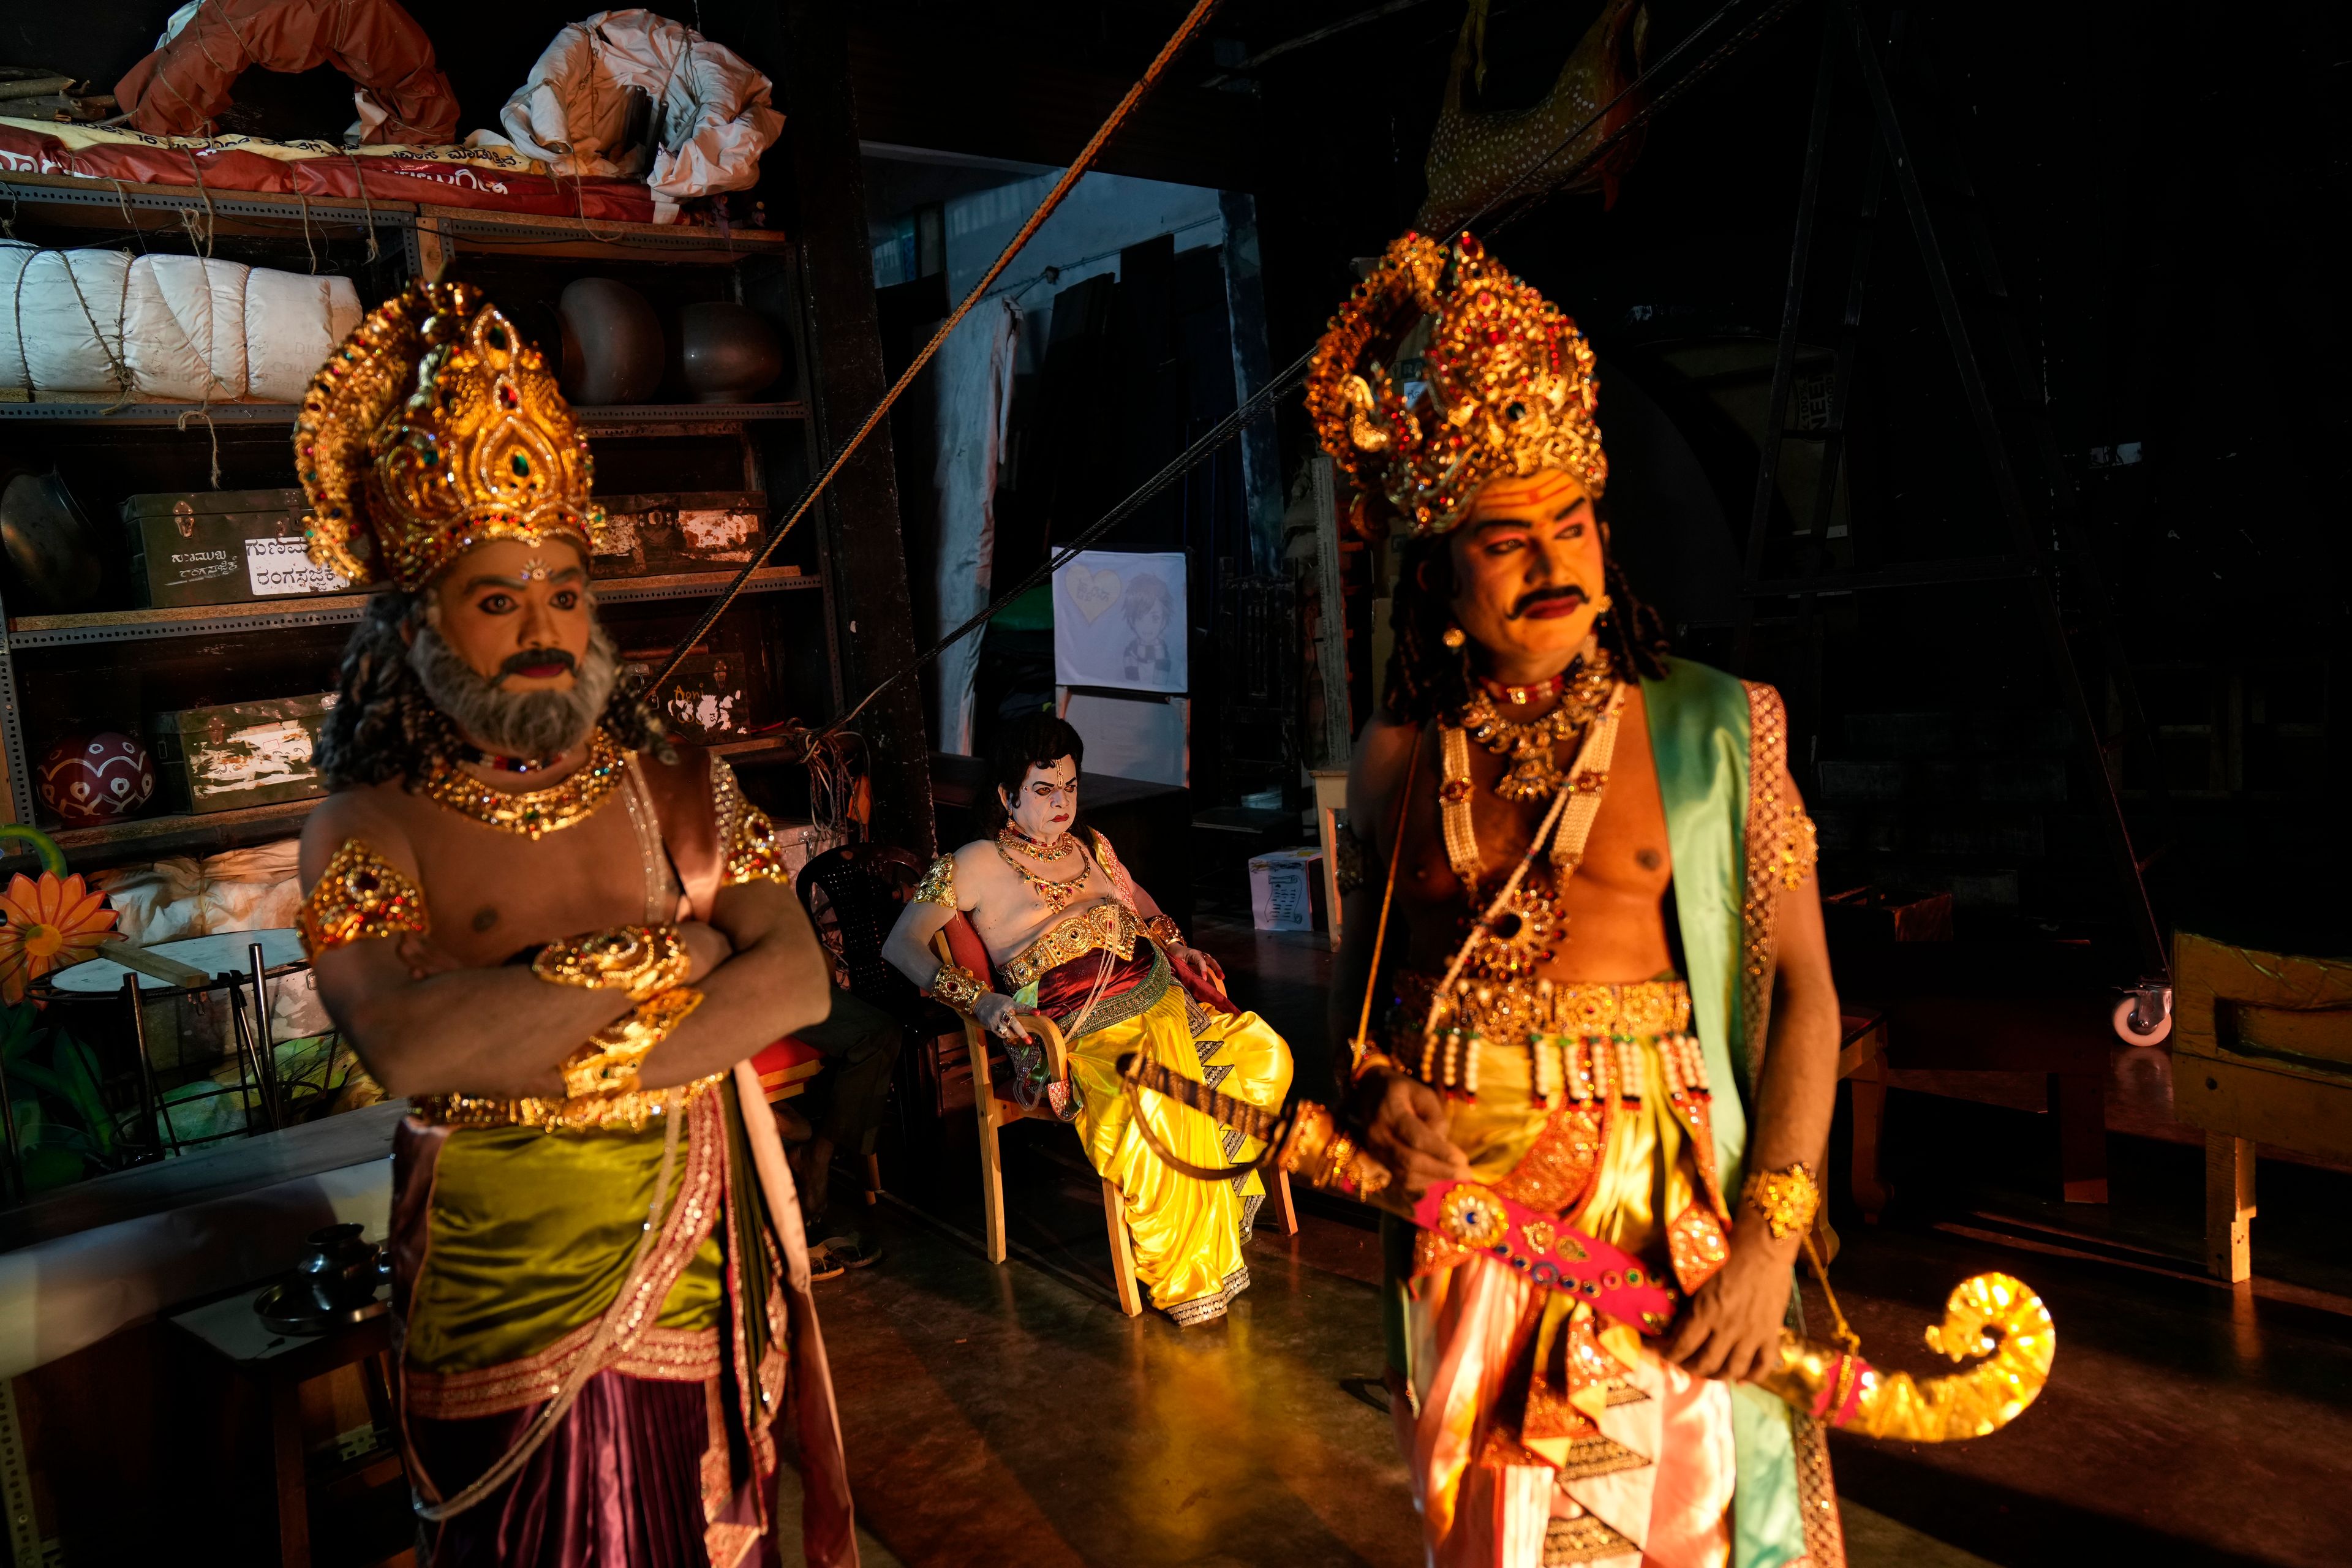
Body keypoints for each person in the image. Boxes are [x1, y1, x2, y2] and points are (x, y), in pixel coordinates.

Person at [292, 281, 856, 1568]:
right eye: (500, 600)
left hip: (696, 1249)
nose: (545, 628)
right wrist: (679, 956)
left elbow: (801, 983)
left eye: (563, 592)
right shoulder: (365, 827)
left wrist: (539, 1022)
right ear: (422, 622)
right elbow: (412, 1046)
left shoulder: (683, 792)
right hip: (500, 1265)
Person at [1314, 235, 1846, 1568]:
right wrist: (1378, 1087)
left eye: (1574, 524)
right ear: (1441, 577)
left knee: (1688, 1525)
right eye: (1508, 541)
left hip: (1661, 1198)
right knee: (1501, 1533)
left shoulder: (1724, 733)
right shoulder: (1396, 756)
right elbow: (1357, 1004)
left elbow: (1810, 999)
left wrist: (1773, 1242)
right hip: (1468, 1213)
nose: (1554, 561)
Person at [880, 713, 1294, 1325]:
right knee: (1160, 1104)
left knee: (1265, 1052)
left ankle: (1216, 1201)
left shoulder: (1094, 846)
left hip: (1163, 1001)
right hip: (1082, 1034)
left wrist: (1175, 943)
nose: (1061, 802)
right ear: (1007, 796)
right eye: (1044, 789)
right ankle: (1191, 1277)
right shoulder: (969, 864)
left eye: (1069, 786)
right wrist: (979, 1001)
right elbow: (900, 946)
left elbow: (1141, 901)